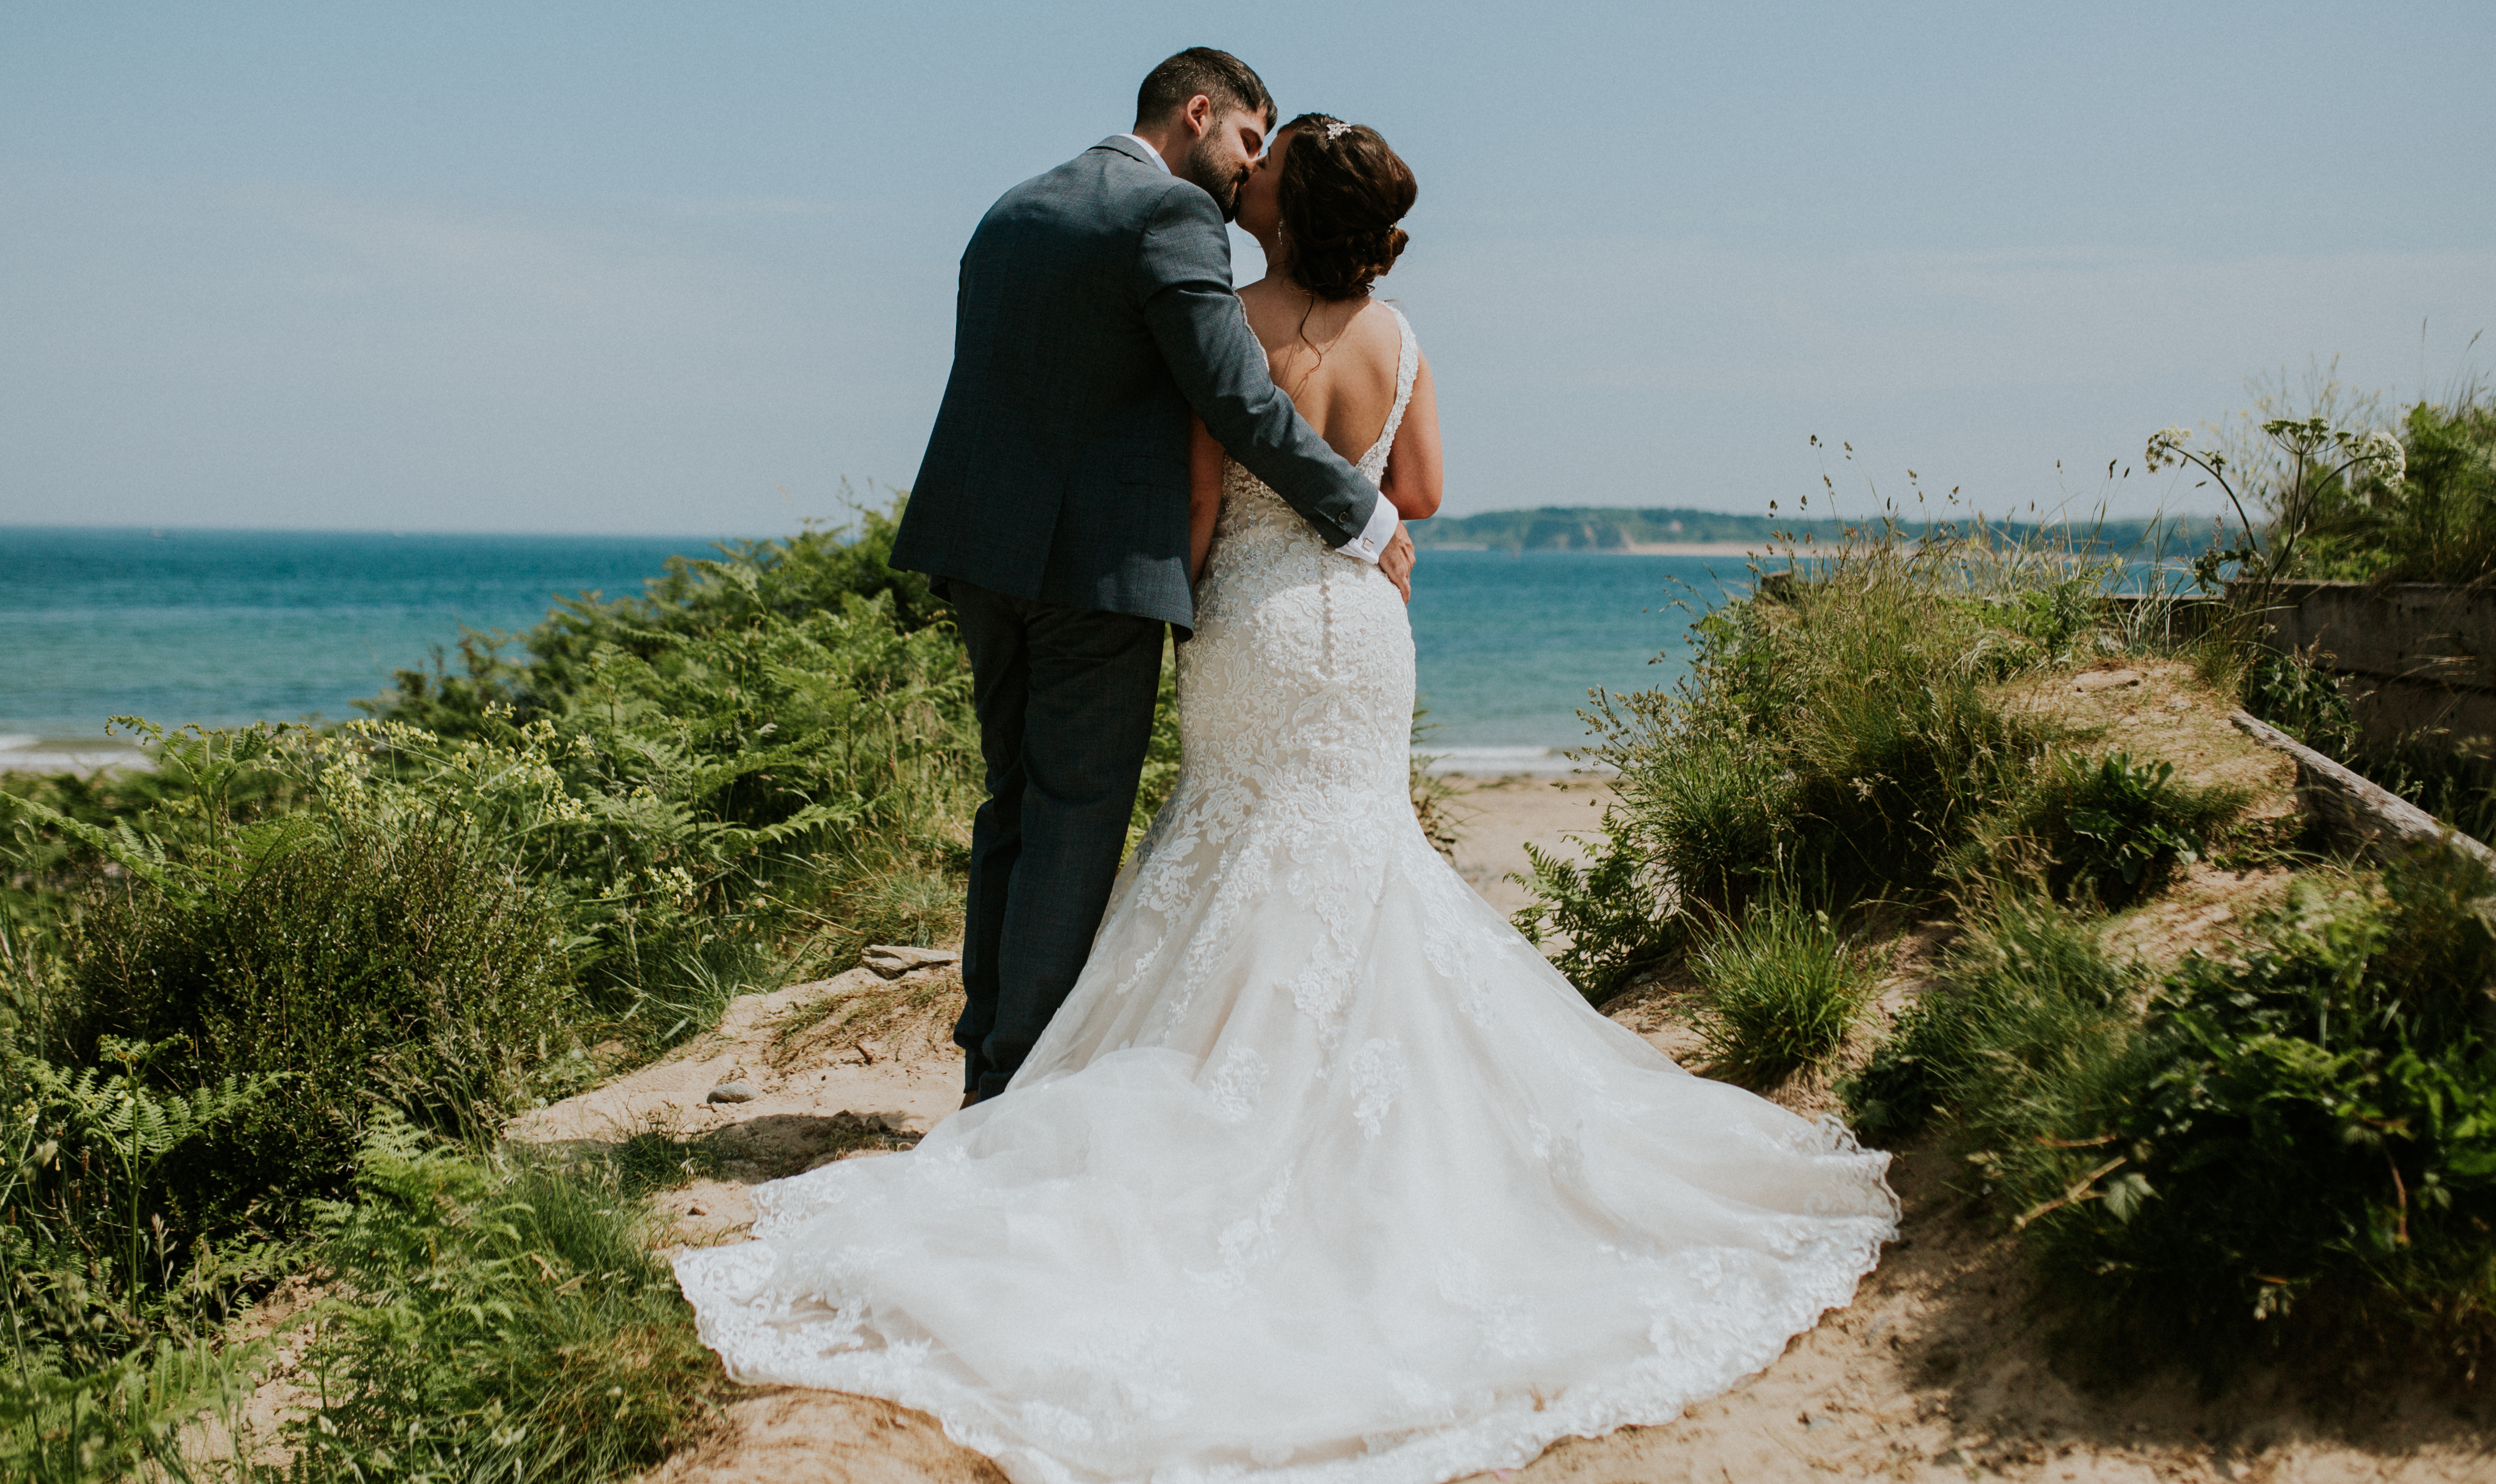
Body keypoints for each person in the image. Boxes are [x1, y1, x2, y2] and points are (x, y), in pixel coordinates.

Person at [677, 105, 1900, 1483]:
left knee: (1227, 847)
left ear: (1272, 202)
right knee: (1362, 866)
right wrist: (1364, 510)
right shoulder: (1404, 338)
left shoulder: (1234, 319)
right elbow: (1423, 492)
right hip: (1361, 631)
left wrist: (1190, 591)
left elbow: (1200, 503)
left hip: (1253, 627)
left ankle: (1050, 1081)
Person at [888, 49, 1414, 1105]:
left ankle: (984, 1049)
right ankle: (1008, 1088)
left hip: (982, 553)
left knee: (1014, 810)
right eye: (1246, 143)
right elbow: (1236, 400)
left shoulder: (1012, 208)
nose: (1247, 171)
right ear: (1198, 111)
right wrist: (1359, 510)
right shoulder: (1168, 217)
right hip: (1095, 569)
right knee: (1073, 825)